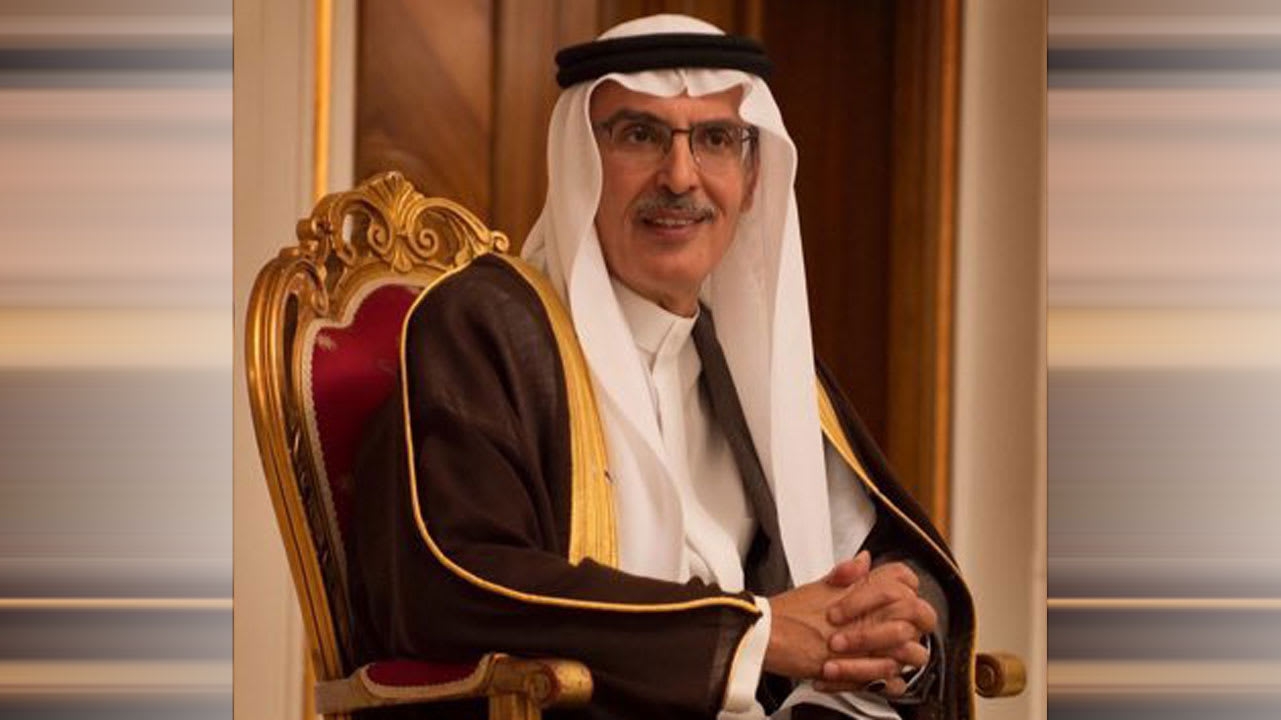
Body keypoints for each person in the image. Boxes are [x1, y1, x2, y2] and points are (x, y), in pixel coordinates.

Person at [350, 13, 975, 720]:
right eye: (640, 135)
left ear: (752, 176)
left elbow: (880, 554)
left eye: (716, 140)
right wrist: (752, 636)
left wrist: (892, 629)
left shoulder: (748, 356)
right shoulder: (483, 328)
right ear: (582, 163)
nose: (680, 177)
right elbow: (457, 585)